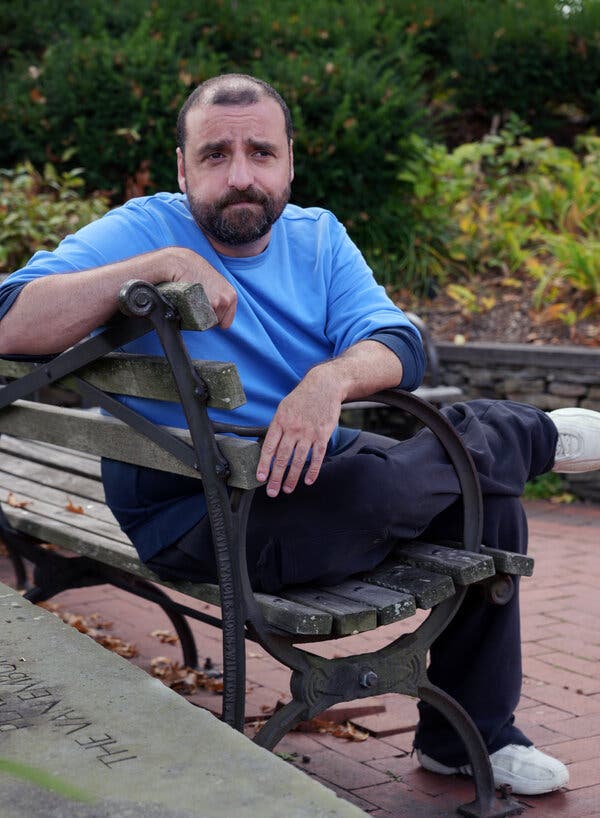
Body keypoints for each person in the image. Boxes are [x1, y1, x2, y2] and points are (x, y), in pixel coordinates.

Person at [1, 73, 599, 797]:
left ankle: (469, 736)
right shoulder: (144, 229)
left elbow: (398, 342)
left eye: (261, 151)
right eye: (216, 155)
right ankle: (532, 436)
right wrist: (166, 265)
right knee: (393, 485)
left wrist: (329, 382)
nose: (241, 175)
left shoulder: (318, 237)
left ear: (290, 162)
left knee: (490, 499)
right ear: (184, 167)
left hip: (306, 466)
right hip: (194, 508)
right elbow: (11, 317)